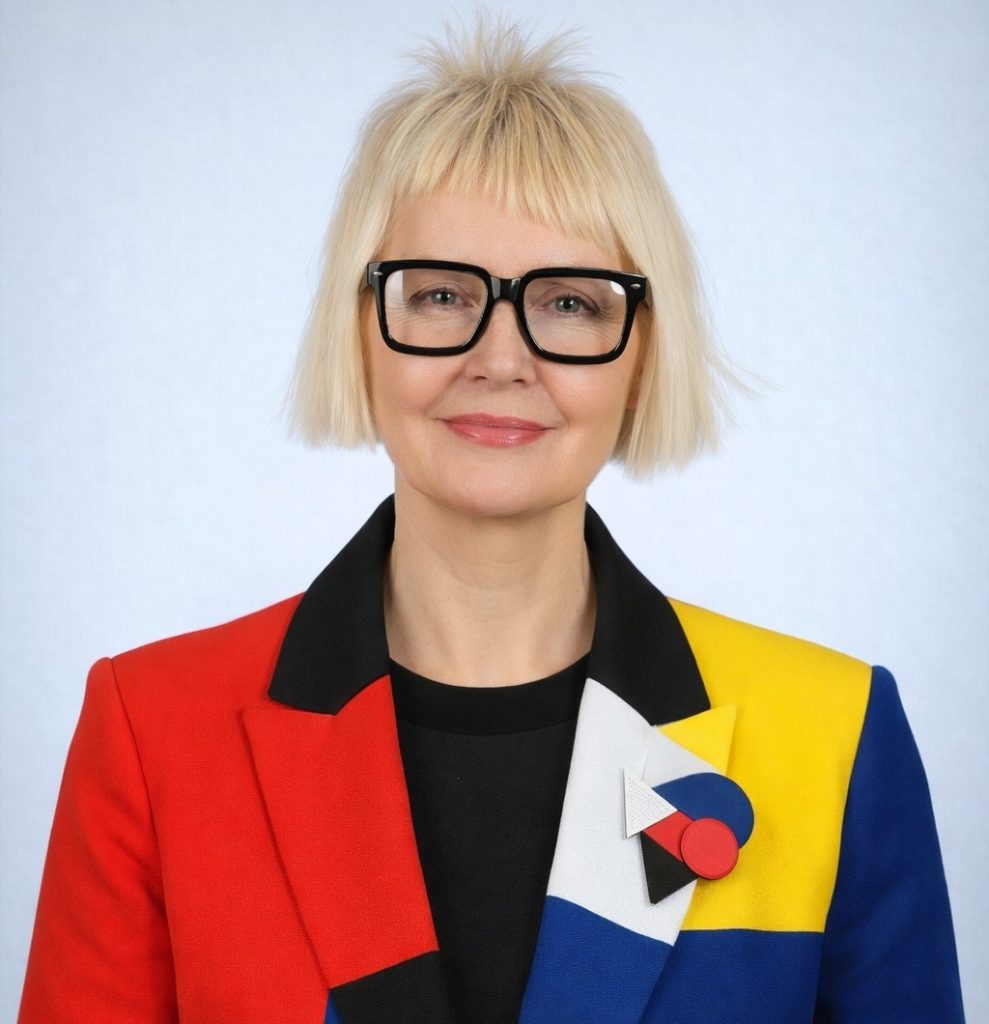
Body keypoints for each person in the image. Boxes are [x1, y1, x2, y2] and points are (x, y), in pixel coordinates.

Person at [18, 20, 964, 1024]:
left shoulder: (834, 735)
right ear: (358, 330)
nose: (501, 358)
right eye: (439, 293)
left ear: (645, 350)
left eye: (568, 303)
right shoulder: (153, 732)